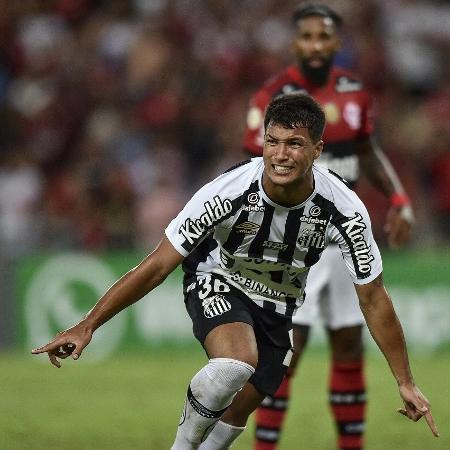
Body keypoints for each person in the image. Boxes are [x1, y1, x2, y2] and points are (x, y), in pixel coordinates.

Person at [32, 93, 438, 450]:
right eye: (273, 142)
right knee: (234, 364)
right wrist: (88, 324)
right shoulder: (226, 191)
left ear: (317, 149)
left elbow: (373, 296)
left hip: (280, 306)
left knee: (238, 411)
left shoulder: (345, 210)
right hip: (218, 277)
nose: (280, 155)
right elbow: (157, 265)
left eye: (294, 144)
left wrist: (404, 380)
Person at [243, 4, 415, 450]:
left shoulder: (354, 92)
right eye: (307, 37)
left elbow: (367, 150)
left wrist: (397, 197)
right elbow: (253, 163)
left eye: (324, 37)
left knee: (348, 343)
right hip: (290, 236)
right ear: (295, 42)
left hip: (340, 236)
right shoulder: (272, 95)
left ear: (337, 43)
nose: (315, 46)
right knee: (286, 350)